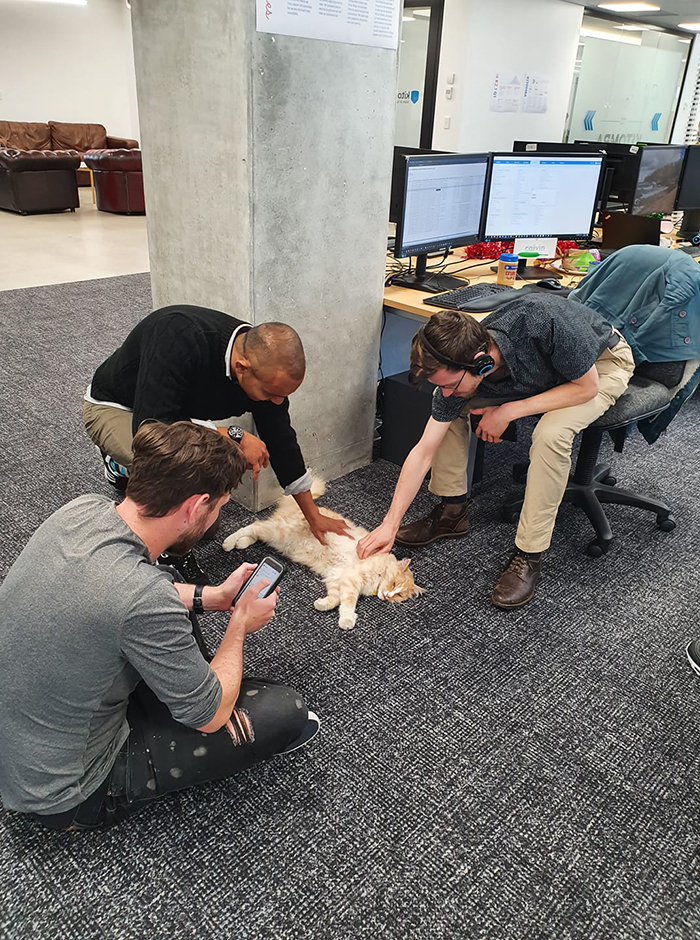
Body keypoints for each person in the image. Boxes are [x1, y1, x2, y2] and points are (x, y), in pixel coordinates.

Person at [0, 421, 318, 831]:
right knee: (285, 710)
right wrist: (239, 623)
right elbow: (209, 717)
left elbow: (131, 596)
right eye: (219, 507)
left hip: (24, 743)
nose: (217, 516)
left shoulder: (83, 509)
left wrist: (213, 596)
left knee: (167, 579)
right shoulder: (143, 599)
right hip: (65, 793)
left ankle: (190, 683)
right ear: (195, 507)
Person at [358, 293, 636, 608]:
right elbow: (424, 450)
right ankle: (452, 512)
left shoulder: (544, 321)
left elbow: (586, 388)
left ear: (482, 363)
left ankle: (529, 554)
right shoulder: (466, 366)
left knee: (551, 434)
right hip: (544, 374)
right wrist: (390, 523)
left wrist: (508, 411)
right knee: (450, 409)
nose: (446, 392)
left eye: (450, 384)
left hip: (599, 367)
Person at [83, 305, 349, 582]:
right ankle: (171, 555)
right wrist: (234, 435)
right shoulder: (176, 336)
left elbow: (281, 440)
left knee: (204, 525)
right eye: (272, 394)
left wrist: (312, 515)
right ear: (241, 368)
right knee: (180, 480)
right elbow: (153, 428)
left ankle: (124, 469)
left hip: (172, 412)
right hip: (117, 408)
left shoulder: (264, 368)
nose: (278, 402)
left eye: (283, 396)